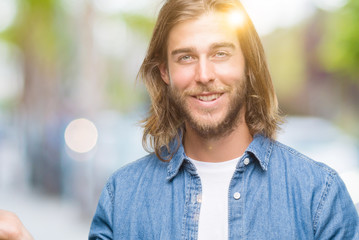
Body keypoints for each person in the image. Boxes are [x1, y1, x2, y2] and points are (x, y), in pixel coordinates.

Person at [89, 0, 359, 239]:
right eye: (186, 57)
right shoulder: (122, 197)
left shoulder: (318, 196)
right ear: (165, 72)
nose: (204, 74)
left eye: (220, 53)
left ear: (248, 64)